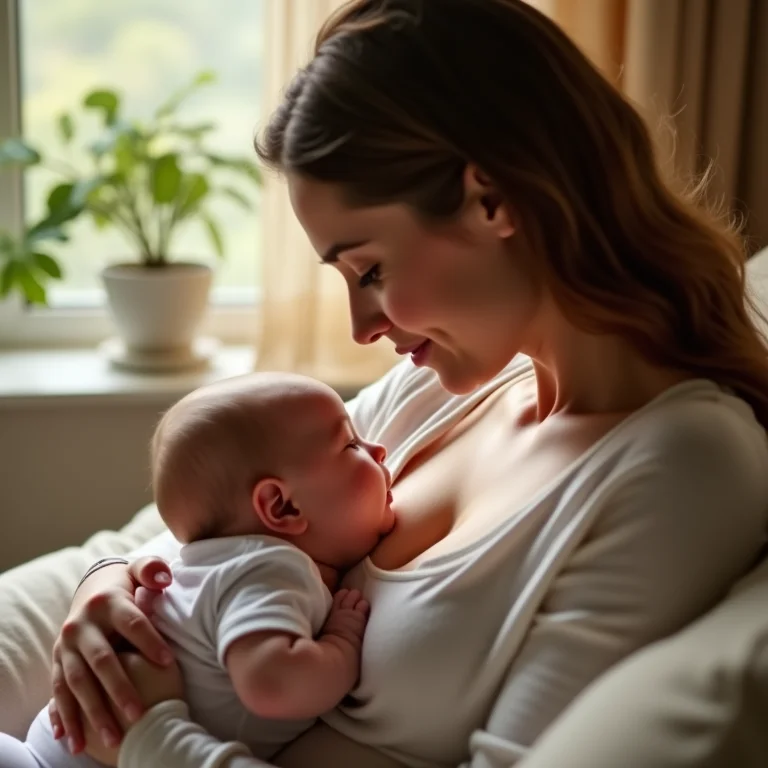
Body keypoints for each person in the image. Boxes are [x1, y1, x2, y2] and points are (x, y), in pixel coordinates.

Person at [44, 0, 768, 766]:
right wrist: (109, 585)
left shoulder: (684, 463)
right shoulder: (442, 389)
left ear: (496, 200)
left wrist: (151, 737)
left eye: (373, 271)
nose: (363, 328)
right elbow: (225, 530)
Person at [0, 373, 393, 768]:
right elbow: (272, 685)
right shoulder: (272, 568)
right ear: (281, 507)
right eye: (351, 445)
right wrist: (341, 641)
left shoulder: (209, 559)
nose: (379, 449)